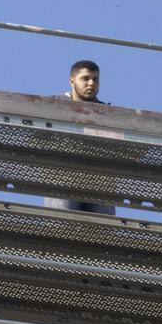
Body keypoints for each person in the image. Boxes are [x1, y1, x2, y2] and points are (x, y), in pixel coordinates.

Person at [43, 59, 116, 214]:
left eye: (95, 79)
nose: (91, 83)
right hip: (63, 176)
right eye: (85, 78)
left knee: (102, 226)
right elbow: (37, 138)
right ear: (72, 81)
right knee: (62, 223)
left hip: (99, 180)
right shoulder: (54, 105)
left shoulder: (107, 114)